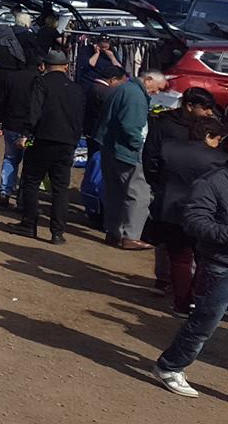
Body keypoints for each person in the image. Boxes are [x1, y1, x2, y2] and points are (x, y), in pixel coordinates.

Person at [151, 132, 228, 398]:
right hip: (219, 265)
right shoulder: (213, 182)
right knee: (205, 321)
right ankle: (169, 366)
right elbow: (195, 221)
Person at [147, 89, 224, 313]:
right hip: (205, 214)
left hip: (170, 209)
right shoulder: (218, 159)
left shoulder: (169, 148)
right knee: (204, 259)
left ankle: (182, 302)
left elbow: (152, 165)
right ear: (209, 136)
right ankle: (202, 299)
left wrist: (161, 188)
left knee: (179, 259)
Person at [16, 47, 87, 244]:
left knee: (31, 181)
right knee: (60, 188)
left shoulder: (41, 82)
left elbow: (34, 110)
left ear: (44, 66)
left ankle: (29, 224)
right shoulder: (77, 88)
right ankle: (57, 232)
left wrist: (25, 134)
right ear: (66, 66)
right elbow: (81, 116)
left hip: (44, 138)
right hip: (68, 142)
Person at [100, 68, 167, 249]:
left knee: (115, 193)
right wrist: (139, 148)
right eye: (158, 88)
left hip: (110, 147)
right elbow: (131, 127)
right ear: (149, 80)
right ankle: (131, 236)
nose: (158, 92)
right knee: (140, 194)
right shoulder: (136, 96)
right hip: (126, 151)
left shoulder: (123, 89)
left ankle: (114, 232)